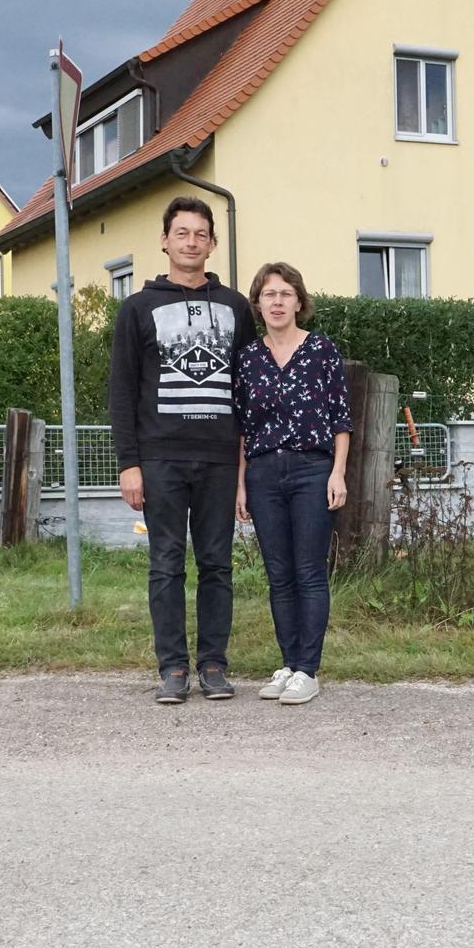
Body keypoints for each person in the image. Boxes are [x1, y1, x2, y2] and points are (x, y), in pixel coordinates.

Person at [109, 196, 259, 704]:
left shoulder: (237, 307)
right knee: (166, 563)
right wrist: (129, 463)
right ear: (165, 240)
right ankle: (172, 668)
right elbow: (121, 391)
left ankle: (213, 664)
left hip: (219, 458)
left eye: (200, 234)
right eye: (182, 233)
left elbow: (247, 389)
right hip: (160, 459)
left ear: (212, 243)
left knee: (217, 563)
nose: (191, 242)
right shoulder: (137, 308)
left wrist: (245, 469)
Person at [234, 262, 352, 706]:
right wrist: (241, 485)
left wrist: (337, 472)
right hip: (263, 473)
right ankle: (287, 664)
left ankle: (309, 669)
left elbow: (341, 418)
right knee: (279, 576)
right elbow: (242, 428)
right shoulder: (247, 359)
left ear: (299, 302)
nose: (278, 302)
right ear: (258, 304)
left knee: (308, 571)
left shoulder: (321, 350)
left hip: (311, 470)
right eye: (269, 295)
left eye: (286, 293)